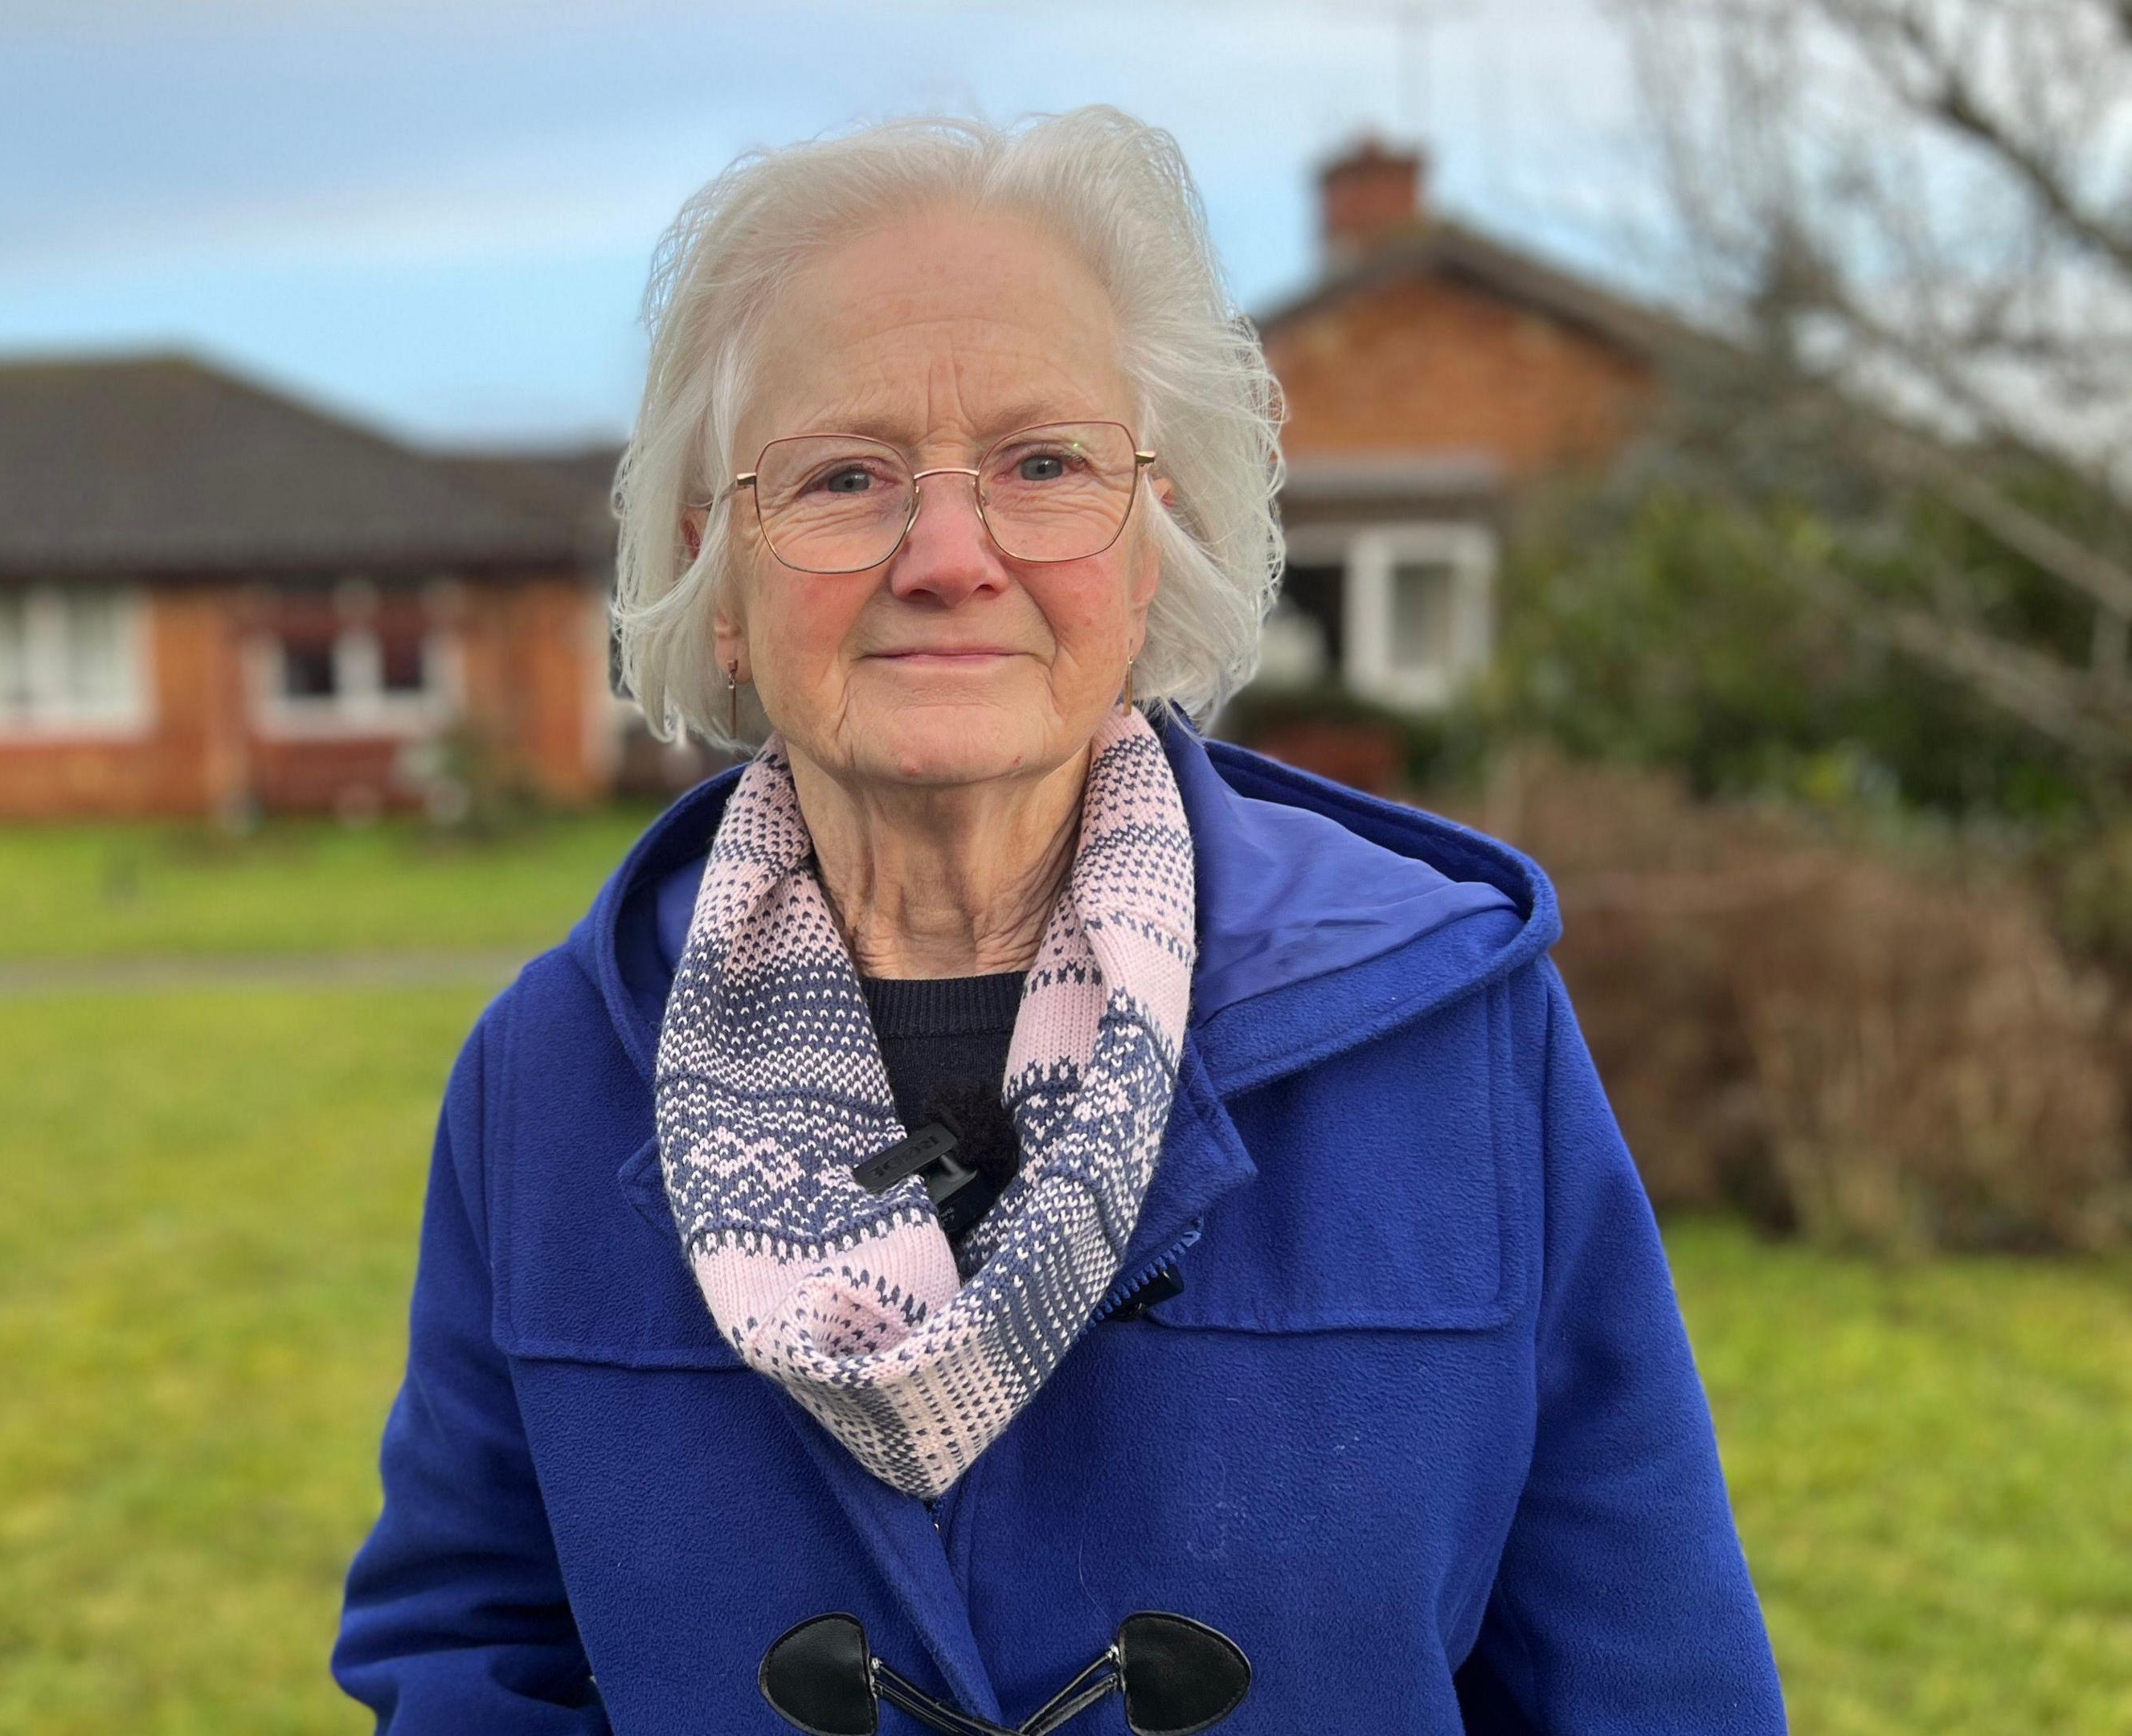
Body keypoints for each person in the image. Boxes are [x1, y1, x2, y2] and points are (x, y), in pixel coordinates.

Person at [332, 107, 1788, 1734]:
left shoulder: (1456, 1039)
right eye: (843, 475)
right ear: (720, 578)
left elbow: (1650, 1683)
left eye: (1044, 464)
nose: (949, 555)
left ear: (1152, 547)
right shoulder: (549, 1073)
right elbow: (474, 1655)